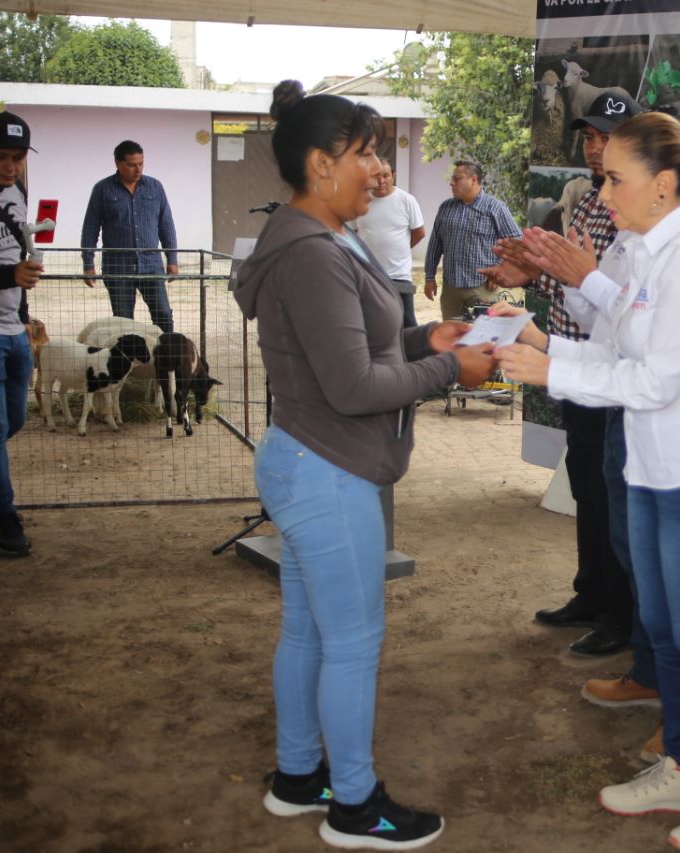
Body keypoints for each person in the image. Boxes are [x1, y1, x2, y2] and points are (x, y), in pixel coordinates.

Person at [495, 111, 680, 853]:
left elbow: (652, 378)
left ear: (667, 183)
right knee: (666, 624)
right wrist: (540, 341)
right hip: (655, 463)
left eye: (616, 178)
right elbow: (615, 348)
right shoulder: (646, 247)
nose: (603, 192)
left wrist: (550, 366)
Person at [233, 80, 495, 852]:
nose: (376, 168)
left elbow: (358, 351)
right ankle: (354, 805)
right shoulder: (312, 252)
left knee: (312, 630)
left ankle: (296, 776)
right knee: (350, 639)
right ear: (320, 164)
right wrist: (456, 373)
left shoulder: (320, 235)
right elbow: (352, 387)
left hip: (309, 458)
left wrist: (430, 341)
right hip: (329, 466)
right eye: (364, 152)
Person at [486, 92, 650, 665]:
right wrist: (531, 274)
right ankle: (591, 593)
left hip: (609, 373)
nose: (596, 147)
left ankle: (620, 614)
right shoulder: (587, 200)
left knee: (614, 497)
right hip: (575, 362)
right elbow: (577, 290)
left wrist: (557, 278)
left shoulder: (634, 213)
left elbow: (616, 308)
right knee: (587, 482)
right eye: (589, 137)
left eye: (607, 137)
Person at [81, 140, 179, 334]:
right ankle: (128, 362)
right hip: (118, 267)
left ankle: (166, 358)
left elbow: (166, 224)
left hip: (151, 265)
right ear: (118, 163)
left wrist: (172, 259)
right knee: (123, 322)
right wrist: (88, 263)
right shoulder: (103, 189)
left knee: (163, 315)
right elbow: (91, 227)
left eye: (141, 163)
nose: (138, 169)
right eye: (132, 165)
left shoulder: (155, 187)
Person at [0, 110, 39, 557]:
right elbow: (11, 268)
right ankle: (5, 517)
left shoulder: (17, 194)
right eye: (2, 156)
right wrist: (12, 276)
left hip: (14, 329)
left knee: (14, 421)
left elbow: (18, 255)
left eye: (17, 157)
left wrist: (26, 315)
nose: (9, 166)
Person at [422, 160, 521, 321]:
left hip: (483, 289)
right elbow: (435, 244)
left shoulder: (495, 208)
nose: (451, 183)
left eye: (457, 179)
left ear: (473, 180)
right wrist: (429, 277)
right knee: (451, 337)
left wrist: (500, 270)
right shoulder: (446, 208)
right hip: (451, 289)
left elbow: (516, 243)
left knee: (485, 337)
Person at [351, 157, 426, 328]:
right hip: (369, 275)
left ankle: (410, 355)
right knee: (371, 323)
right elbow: (352, 233)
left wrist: (400, 250)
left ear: (393, 176)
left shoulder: (407, 200)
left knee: (407, 323)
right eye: (376, 176)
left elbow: (419, 232)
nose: (381, 181)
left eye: (385, 175)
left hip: (399, 274)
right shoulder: (361, 200)